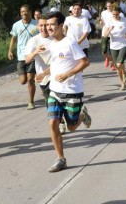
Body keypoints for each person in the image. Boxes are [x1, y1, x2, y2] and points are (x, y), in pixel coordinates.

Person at [40, 12, 92, 172]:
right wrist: (44, 73)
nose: (48, 27)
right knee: (53, 123)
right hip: (55, 90)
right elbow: (57, 64)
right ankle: (60, 158)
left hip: (72, 91)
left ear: (61, 26)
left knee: (70, 127)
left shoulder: (70, 43)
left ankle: (83, 115)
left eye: (52, 24)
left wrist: (68, 74)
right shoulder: (52, 44)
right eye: (47, 24)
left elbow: (85, 62)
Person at [8, 4, 39, 110]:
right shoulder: (16, 25)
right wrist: (10, 51)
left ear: (30, 12)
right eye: (22, 12)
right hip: (21, 56)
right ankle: (26, 77)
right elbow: (13, 38)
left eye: (26, 11)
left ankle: (31, 102)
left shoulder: (36, 24)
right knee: (23, 81)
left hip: (33, 55)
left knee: (30, 79)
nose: (24, 13)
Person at [105, 5, 126, 90]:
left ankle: (124, 71)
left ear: (119, 13)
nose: (115, 16)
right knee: (118, 67)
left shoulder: (125, 20)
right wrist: (109, 30)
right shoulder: (109, 21)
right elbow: (105, 35)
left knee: (119, 64)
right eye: (113, 14)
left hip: (124, 44)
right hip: (113, 46)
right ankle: (122, 83)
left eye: (117, 14)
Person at [99, 0, 116, 69]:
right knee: (104, 49)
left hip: (114, 32)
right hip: (105, 32)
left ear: (112, 6)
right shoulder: (103, 12)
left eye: (110, 6)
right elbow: (102, 20)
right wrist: (101, 22)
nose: (109, 7)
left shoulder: (115, 12)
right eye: (107, 6)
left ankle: (113, 64)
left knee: (112, 49)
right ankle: (107, 58)